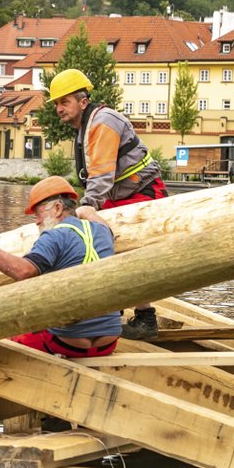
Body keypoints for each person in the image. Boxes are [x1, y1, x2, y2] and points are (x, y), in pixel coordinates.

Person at [48, 67, 167, 340]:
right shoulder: (85, 127)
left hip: (143, 193)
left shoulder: (102, 123)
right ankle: (112, 313)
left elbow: (101, 174)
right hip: (121, 196)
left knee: (129, 253)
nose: (58, 108)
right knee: (102, 248)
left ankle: (145, 320)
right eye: (56, 103)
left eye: (64, 102)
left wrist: (87, 207)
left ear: (83, 101)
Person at [0, 176, 121, 359]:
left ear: (58, 208)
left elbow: (22, 271)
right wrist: (87, 211)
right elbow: (100, 222)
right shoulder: (102, 231)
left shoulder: (54, 236)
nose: (36, 221)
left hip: (67, 344)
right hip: (108, 344)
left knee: (7, 340)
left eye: (38, 213)